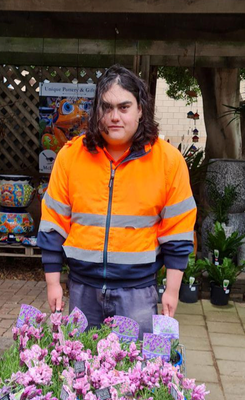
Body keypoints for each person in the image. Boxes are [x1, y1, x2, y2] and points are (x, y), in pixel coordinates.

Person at [37, 64, 197, 336]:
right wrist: (53, 283)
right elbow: (53, 223)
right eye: (106, 107)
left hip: (137, 295)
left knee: (135, 373)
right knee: (80, 373)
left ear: (140, 110)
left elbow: (177, 232)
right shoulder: (69, 157)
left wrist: (171, 290)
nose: (114, 117)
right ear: (96, 111)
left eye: (124, 107)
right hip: (82, 291)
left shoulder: (168, 162)